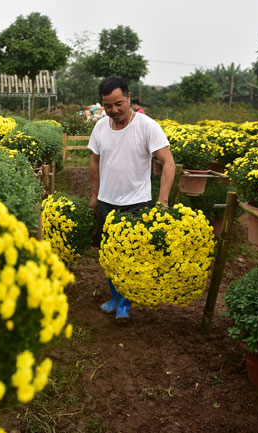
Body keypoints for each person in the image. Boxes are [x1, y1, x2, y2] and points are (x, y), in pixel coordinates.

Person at [88, 76, 175, 323]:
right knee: (107, 254)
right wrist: (94, 196)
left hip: (136, 203)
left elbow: (168, 163)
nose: (114, 110)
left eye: (118, 104)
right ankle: (115, 297)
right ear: (102, 105)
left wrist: (163, 201)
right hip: (107, 201)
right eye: (108, 106)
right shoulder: (100, 128)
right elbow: (94, 161)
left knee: (131, 256)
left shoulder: (147, 126)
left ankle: (125, 303)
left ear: (128, 98)